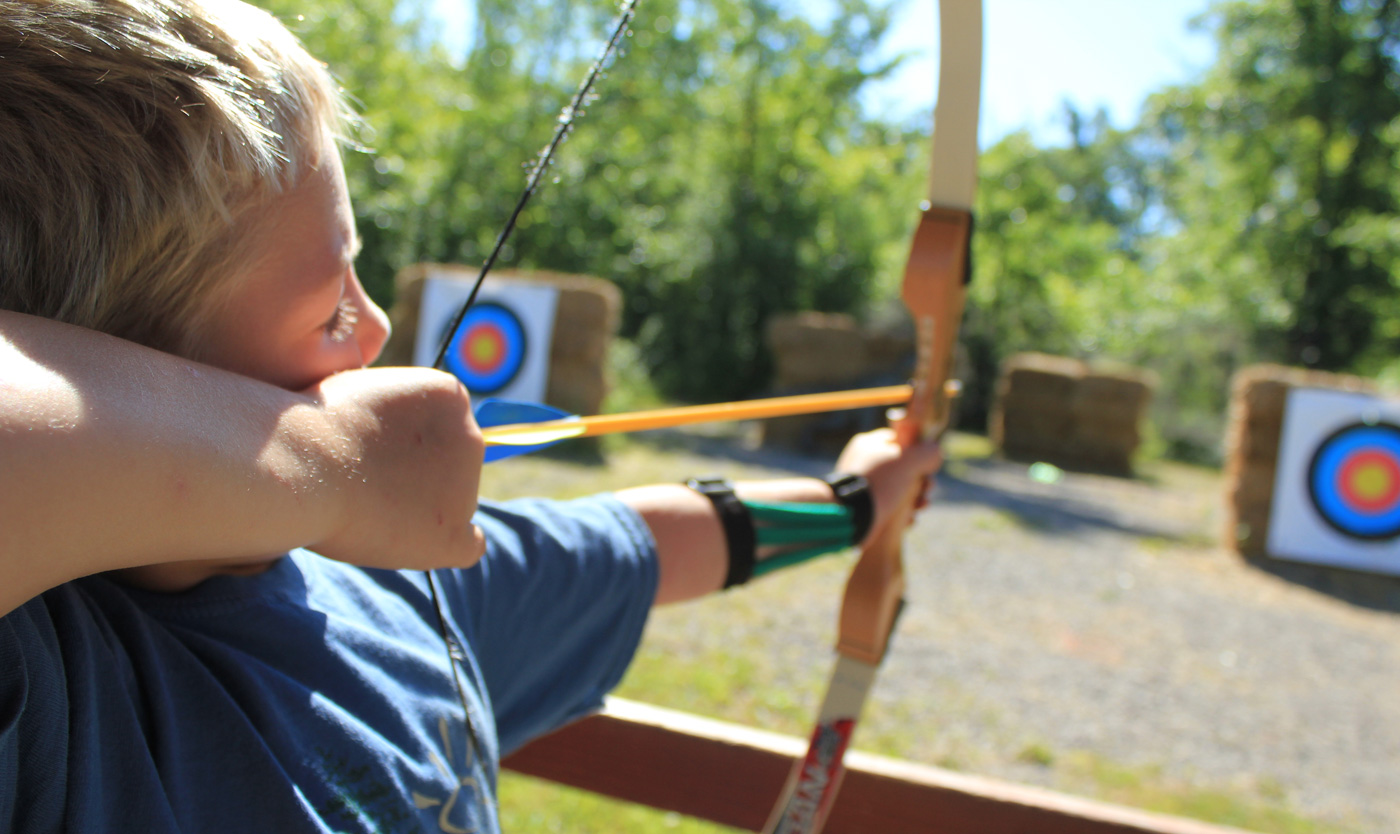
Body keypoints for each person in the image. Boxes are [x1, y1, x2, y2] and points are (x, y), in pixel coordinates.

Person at [0, 0, 944, 831]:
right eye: (329, 305)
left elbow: (640, 545)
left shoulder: (388, 592)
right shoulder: (52, 691)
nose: (373, 327)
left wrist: (853, 503)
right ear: (129, 363)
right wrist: (326, 463)